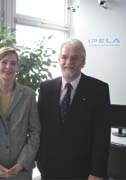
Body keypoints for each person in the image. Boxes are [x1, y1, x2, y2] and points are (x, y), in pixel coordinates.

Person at [37, 38, 111, 180]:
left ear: (83, 62)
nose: (69, 62)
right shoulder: (46, 88)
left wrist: (97, 172)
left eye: (74, 58)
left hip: (83, 171)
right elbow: (41, 128)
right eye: (64, 57)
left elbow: (102, 135)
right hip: (50, 169)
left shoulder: (99, 89)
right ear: (59, 60)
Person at [0, 47, 41, 179]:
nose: (8, 67)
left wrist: (22, 163)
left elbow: (35, 132)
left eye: (13, 63)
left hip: (20, 172)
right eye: (4, 62)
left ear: (17, 67)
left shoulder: (28, 95)